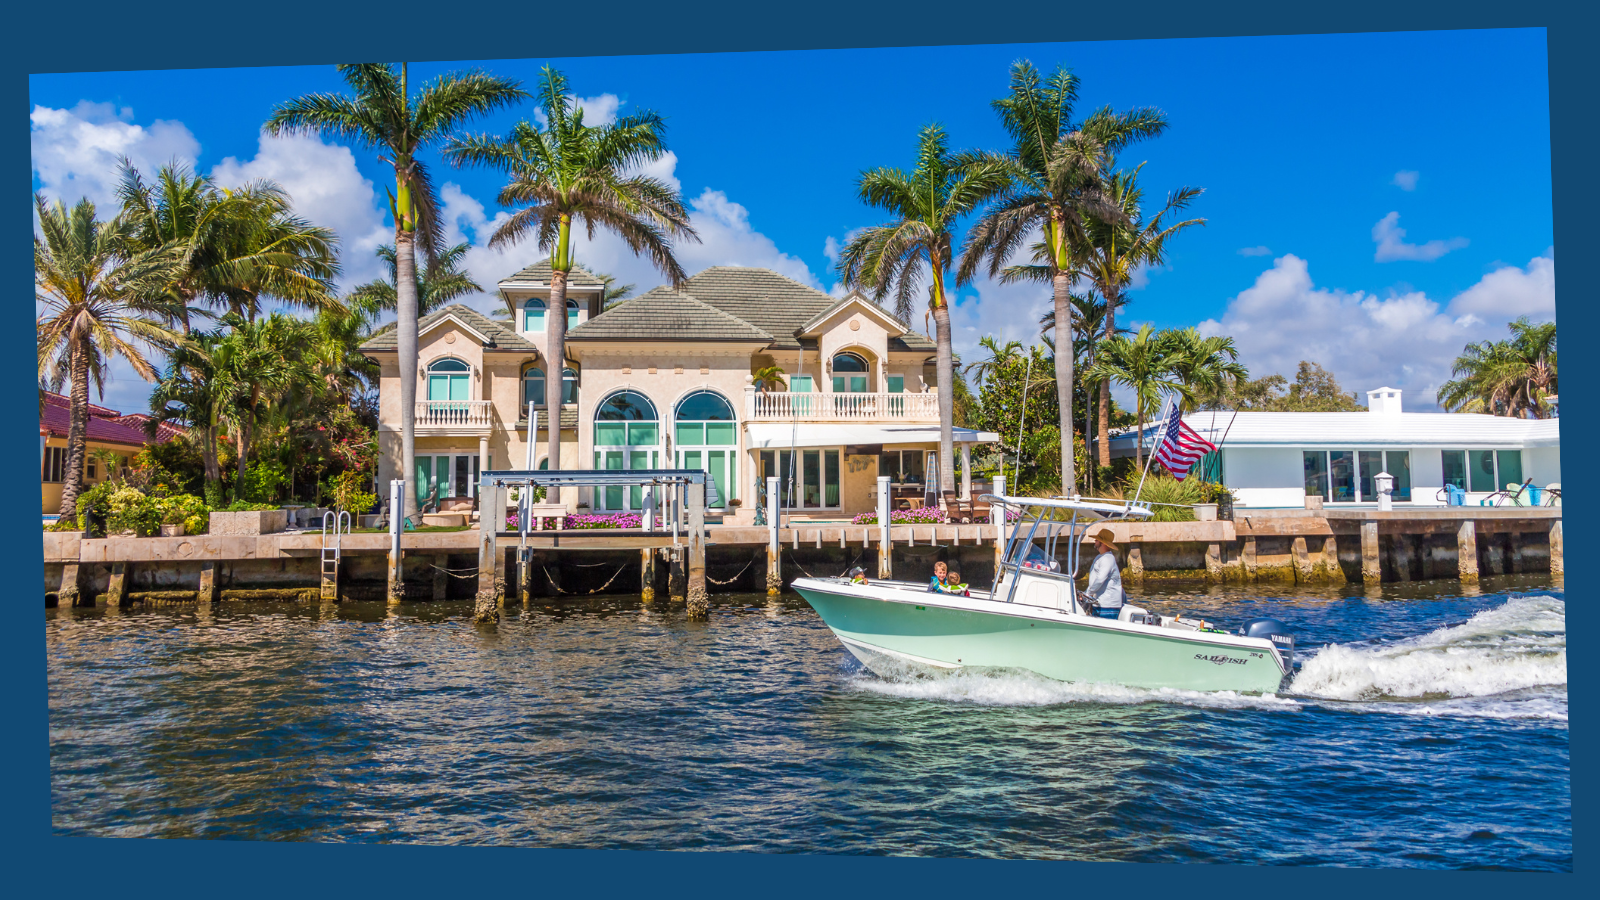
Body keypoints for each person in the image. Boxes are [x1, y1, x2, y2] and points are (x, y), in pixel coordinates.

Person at [1081, 527, 1124, 619]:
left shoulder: (1108, 559)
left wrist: (1087, 594)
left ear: (1103, 543)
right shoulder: (1100, 557)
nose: (1095, 541)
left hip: (1108, 606)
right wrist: (1085, 594)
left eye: (1097, 540)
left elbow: (1100, 579)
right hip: (1099, 604)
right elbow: (1095, 580)